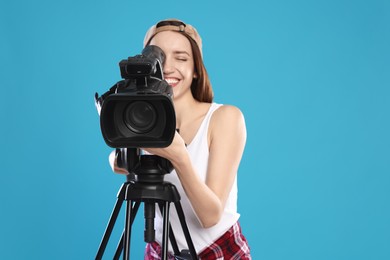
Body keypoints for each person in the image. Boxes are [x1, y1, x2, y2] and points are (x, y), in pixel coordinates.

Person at [110, 18, 251, 259]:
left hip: (217, 251)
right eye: (158, 58)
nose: (167, 68)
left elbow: (210, 216)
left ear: (196, 69)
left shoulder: (225, 118)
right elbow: (117, 161)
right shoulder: (141, 120)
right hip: (161, 250)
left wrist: (180, 158)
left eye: (181, 58)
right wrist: (120, 150)